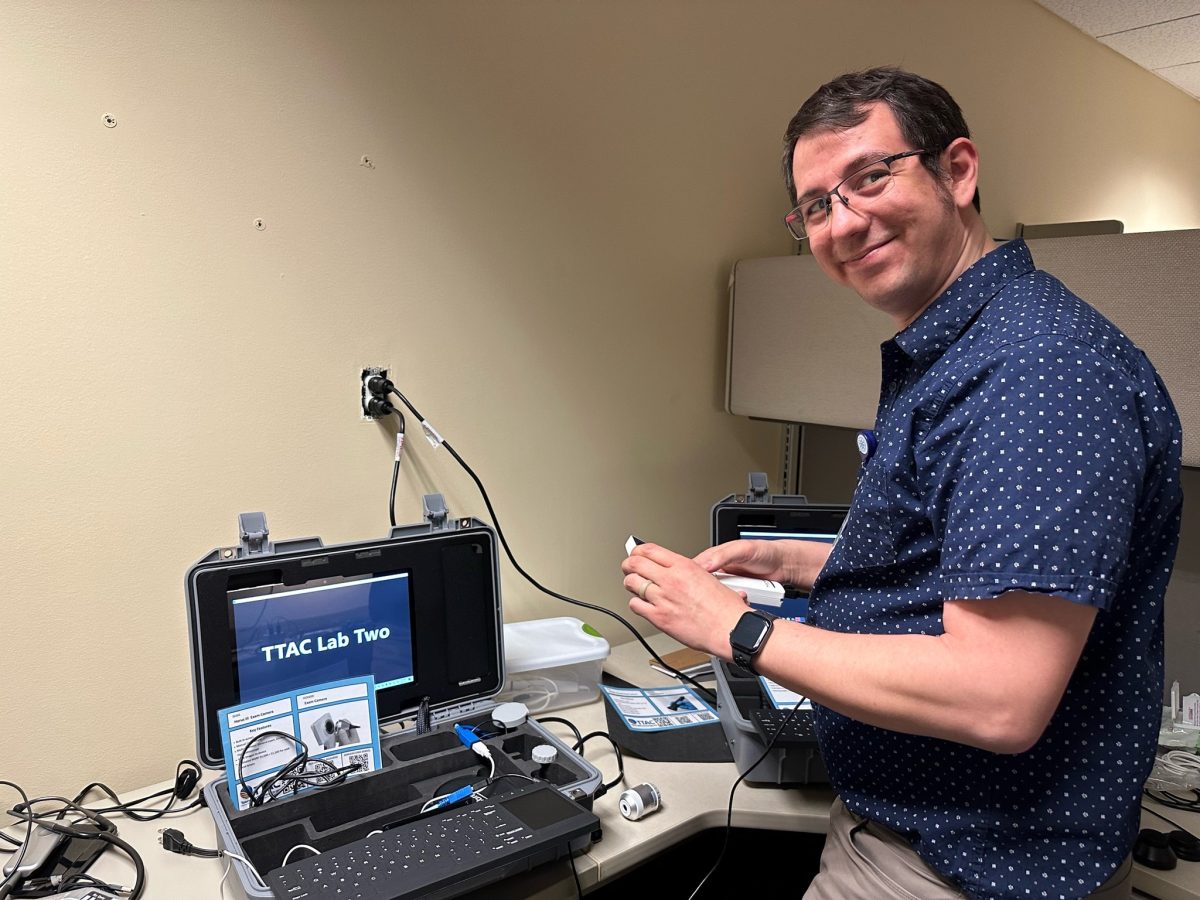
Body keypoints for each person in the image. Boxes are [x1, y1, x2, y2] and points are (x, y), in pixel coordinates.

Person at [622, 67, 1182, 900]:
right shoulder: (965, 349)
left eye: (870, 177)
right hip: (913, 839)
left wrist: (734, 628)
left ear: (958, 170)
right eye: (817, 206)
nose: (845, 222)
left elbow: (999, 698)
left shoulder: (1035, 372)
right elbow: (968, 562)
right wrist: (800, 564)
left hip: (966, 872)